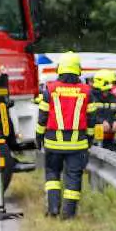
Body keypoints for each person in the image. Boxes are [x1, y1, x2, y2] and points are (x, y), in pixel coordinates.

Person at [36, 52, 94, 217]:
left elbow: (42, 118)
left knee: (52, 174)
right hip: (78, 144)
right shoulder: (86, 91)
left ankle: (53, 208)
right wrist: (89, 139)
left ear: (59, 69)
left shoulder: (50, 89)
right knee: (73, 177)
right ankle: (68, 213)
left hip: (53, 143)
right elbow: (91, 119)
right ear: (78, 70)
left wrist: (39, 137)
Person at [90, 69, 116, 152]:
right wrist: (101, 122)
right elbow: (90, 114)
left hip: (112, 137)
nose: (113, 85)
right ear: (104, 83)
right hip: (96, 137)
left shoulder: (113, 97)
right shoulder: (91, 97)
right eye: (111, 82)